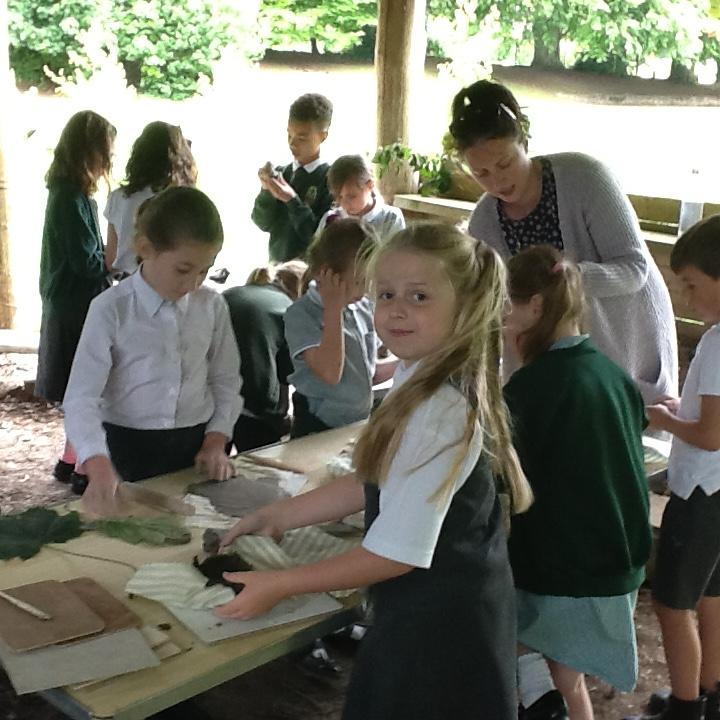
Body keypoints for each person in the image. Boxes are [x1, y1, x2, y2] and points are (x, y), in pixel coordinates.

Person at [216, 222, 533, 720]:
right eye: (386, 294)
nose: (396, 309)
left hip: (443, 630)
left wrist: (281, 583)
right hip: (434, 612)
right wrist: (279, 515)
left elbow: (394, 554)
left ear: (465, 307)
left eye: (419, 296)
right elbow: (376, 476)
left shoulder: (440, 410)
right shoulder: (419, 373)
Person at [449, 79, 677, 404]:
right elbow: (495, 303)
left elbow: (634, 269)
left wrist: (569, 278)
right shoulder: (485, 220)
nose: (497, 180)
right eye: (481, 173)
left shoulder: (584, 178)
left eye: (505, 163)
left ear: (524, 141)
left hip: (625, 339)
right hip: (549, 358)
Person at [502, 245, 651, 720]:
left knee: (548, 671)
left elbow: (504, 473)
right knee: (564, 675)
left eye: (507, 308)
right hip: (618, 551)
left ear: (535, 306)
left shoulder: (533, 386)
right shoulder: (611, 373)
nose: (503, 322)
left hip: (571, 564)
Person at [62, 186, 242, 517]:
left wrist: (216, 440)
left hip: (195, 445)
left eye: (204, 270)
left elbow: (226, 380)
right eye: (183, 269)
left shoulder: (212, 306)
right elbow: (80, 398)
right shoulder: (111, 309)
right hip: (125, 449)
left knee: (195, 531)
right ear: (145, 249)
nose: (193, 283)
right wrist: (97, 462)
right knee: (131, 532)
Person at [641, 216, 720, 720]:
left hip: (701, 492)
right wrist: (682, 409)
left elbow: (711, 435)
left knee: (672, 604)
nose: (686, 298)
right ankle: (711, 693)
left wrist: (665, 419)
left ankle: (685, 707)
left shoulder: (716, 342)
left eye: (691, 285)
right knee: (712, 595)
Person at [35, 110, 116, 488]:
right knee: (84, 388)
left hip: (70, 302)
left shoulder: (71, 194)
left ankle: (70, 460)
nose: (109, 159)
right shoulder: (69, 197)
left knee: (79, 386)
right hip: (74, 306)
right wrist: (115, 261)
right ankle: (83, 466)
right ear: (89, 151)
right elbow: (85, 261)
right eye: (105, 150)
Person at [284, 217, 394, 437]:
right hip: (317, 427)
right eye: (359, 282)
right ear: (328, 274)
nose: (365, 291)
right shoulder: (301, 315)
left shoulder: (362, 307)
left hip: (355, 423)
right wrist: (333, 308)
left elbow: (368, 372)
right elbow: (330, 373)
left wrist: (412, 363)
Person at [222, 260, 307, 452]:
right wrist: (282, 418)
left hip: (211, 396)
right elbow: (287, 372)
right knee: (260, 461)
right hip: (255, 400)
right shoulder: (289, 308)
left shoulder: (232, 293)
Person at [104, 121, 196, 275]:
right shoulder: (181, 200)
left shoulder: (117, 197)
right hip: (166, 280)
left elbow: (110, 260)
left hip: (127, 281)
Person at [251, 93, 334, 263]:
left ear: (322, 136)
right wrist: (266, 190)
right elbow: (262, 222)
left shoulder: (331, 180)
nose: (292, 143)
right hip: (276, 268)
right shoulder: (282, 174)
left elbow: (318, 237)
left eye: (302, 137)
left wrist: (291, 200)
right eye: (289, 135)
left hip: (310, 271)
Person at [315, 154, 405, 241]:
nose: (345, 204)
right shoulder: (330, 219)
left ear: (370, 185)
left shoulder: (391, 218)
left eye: (352, 196)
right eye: (339, 197)